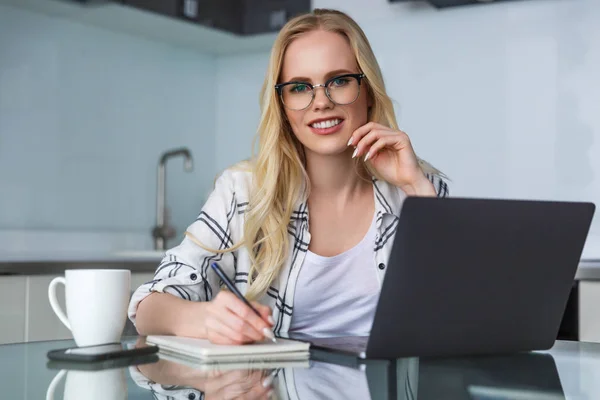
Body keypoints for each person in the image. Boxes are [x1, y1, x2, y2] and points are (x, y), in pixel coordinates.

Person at [128, 8, 449, 345]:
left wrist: (416, 190)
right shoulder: (244, 192)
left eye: (339, 81)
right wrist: (205, 319)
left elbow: (457, 317)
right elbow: (148, 306)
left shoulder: (420, 190)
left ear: (367, 91)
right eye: (299, 87)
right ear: (281, 105)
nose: (321, 102)